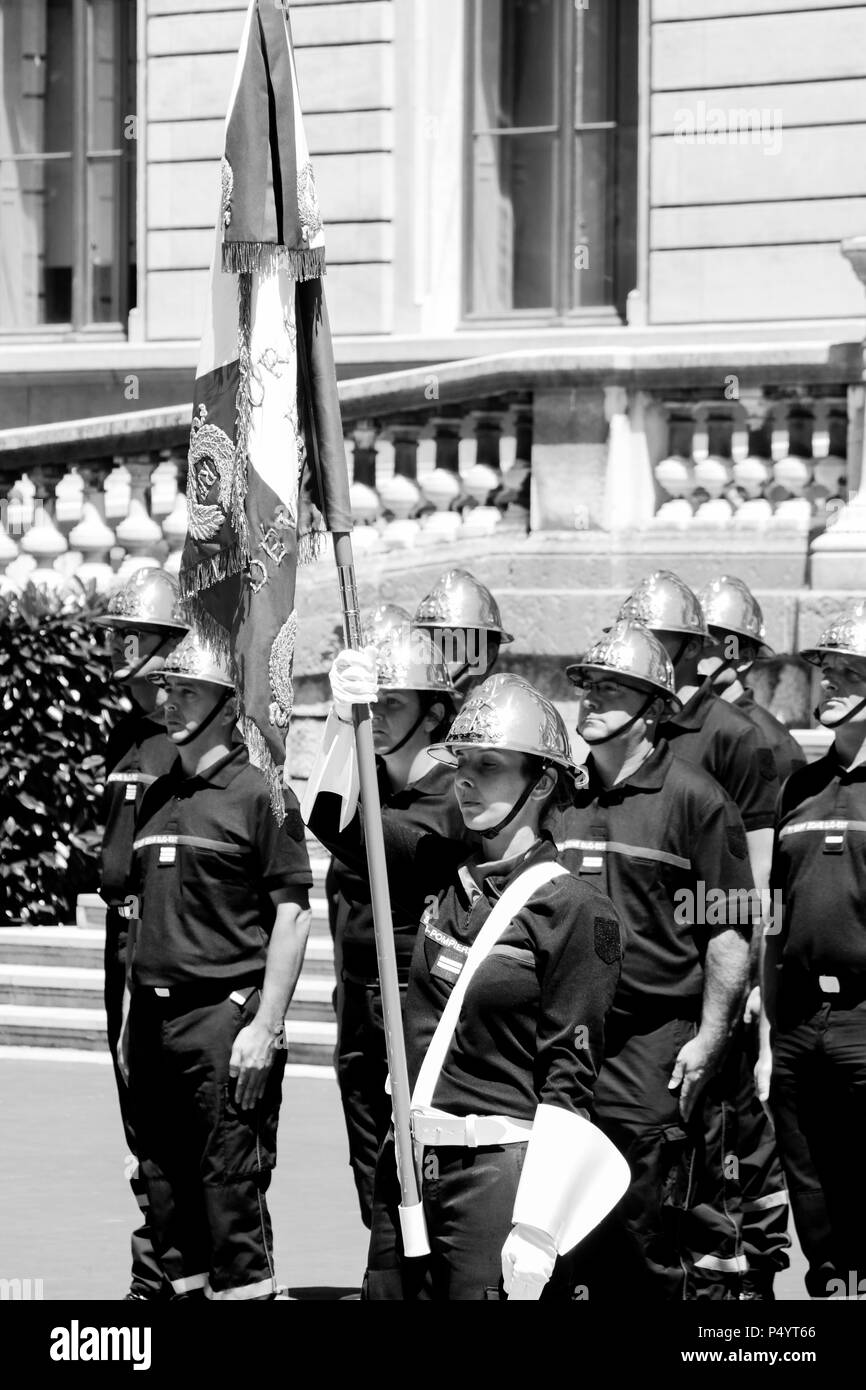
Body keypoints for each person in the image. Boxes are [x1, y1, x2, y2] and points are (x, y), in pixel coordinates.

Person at [304, 663, 628, 1300]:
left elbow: (570, 1074)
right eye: (462, 764)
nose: (466, 781)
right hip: (410, 1162)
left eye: (490, 766)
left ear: (540, 783)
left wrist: (538, 1226)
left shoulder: (578, 912)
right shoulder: (438, 869)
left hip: (498, 1177)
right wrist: (345, 720)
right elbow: (331, 820)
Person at [556, 620, 757, 1299]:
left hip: (652, 1044)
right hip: (561, 1043)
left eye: (613, 689)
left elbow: (729, 928)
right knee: (559, 1233)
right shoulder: (562, 797)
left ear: (654, 708)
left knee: (642, 1233)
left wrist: (710, 1035)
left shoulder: (697, 801)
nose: (591, 699)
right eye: (586, 685)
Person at [125, 629, 312, 1300]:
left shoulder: (262, 796)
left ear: (228, 706)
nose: (171, 704)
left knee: (231, 1200)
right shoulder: (154, 796)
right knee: (166, 1196)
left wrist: (266, 1026)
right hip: (155, 1024)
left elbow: (293, 914)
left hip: (225, 1021)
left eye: (189, 692)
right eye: (168, 691)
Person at [616, 570, 785, 1297]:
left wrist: (748, 980)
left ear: (699, 650)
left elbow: (755, 876)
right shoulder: (633, 730)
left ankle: (740, 1306)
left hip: (707, 975)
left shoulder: (738, 738)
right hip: (639, 980)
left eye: (659, 641)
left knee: (718, 1154)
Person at [304, 623, 462, 1229]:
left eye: (393, 703)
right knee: (371, 1171)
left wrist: (344, 726)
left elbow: (325, 821)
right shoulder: (363, 790)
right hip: (362, 1002)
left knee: (422, 1174)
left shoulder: (458, 795)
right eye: (375, 702)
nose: (381, 716)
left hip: (424, 1004)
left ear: (434, 713)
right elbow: (323, 813)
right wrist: (343, 720)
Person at [765, 599, 866, 1298]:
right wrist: (773, 1024)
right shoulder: (800, 786)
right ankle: (830, 1284)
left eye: (847, 672)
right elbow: (773, 913)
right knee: (809, 1175)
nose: (827, 684)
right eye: (824, 670)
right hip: (801, 1019)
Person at [93, 567, 188, 1300]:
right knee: (137, 1113)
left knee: (175, 1123)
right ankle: (156, 1266)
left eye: (134, 634)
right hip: (120, 940)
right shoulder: (126, 733)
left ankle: (170, 1274)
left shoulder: (180, 742)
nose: (118, 647)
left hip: (164, 941)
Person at [698, 574, 807, 784]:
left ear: (744, 658)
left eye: (709, 644)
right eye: (691, 642)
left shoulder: (773, 741)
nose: (693, 653)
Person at [413, 568, 512, 697]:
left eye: (445, 642)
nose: (430, 655)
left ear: (486, 655)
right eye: (426, 643)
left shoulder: (501, 716)